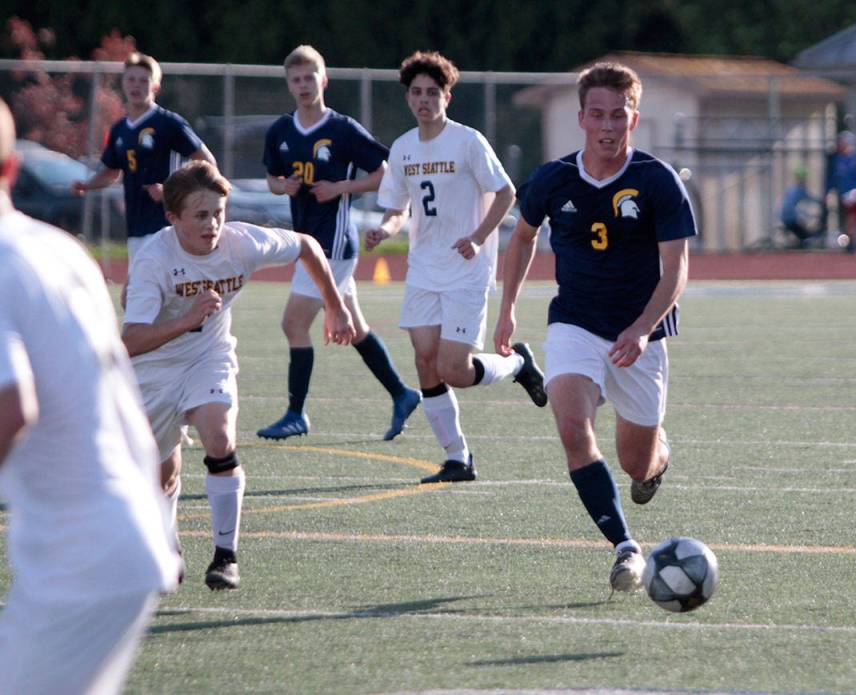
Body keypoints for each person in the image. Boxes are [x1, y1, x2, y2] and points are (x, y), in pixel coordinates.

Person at [0, 97, 180, 693]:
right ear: (11, 170)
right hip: (113, 540)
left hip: (82, 561)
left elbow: (11, 408)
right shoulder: (57, 248)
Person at [495, 63, 697, 592]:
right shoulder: (553, 178)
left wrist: (644, 328)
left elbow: (676, 267)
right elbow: (521, 239)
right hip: (575, 324)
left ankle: (659, 457)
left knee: (637, 464)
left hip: (639, 335)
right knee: (570, 426)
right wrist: (507, 308)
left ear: (634, 116)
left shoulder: (657, 180)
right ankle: (626, 547)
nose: (608, 126)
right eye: (598, 115)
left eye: (619, 115)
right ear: (581, 117)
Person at [122, 160, 354, 591]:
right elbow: (130, 341)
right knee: (162, 474)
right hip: (153, 369)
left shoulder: (242, 243)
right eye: (200, 215)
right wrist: (187, 317)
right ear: (172, 219)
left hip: (210, 356)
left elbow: (305, 244)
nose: (212, 224)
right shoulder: (154, 260)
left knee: (220, 438)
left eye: (218, 213)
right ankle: (167, 544)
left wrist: (336, 304)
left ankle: (225, 556)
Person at [366, 51, 547, 484]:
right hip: (424, 269)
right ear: (408, 97)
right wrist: (384, 230)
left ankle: (518, 365)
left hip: (467, 269)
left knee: (454, 369)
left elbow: (505, 194)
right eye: (416, 92)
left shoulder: (468, 141)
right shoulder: (403, 148)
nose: (423, 100)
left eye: (432, 92)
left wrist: (479, 237)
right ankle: (457, 457)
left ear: (447, 96)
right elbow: (397, 208)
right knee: (425, 363)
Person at [259, 45, 420, 442]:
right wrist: (285, 186)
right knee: (356, 327)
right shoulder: (281, 130)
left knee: (293, 323)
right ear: (288, 84)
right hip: (306, 242)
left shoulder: (343, 129)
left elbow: (385, 173)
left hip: (332, 244)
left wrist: (342, 188)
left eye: (309, 77)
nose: (302, 85)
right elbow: (272, 180)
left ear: (323, 80)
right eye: (295, 79)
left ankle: (296, 413)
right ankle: (402, 394)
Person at [72, 52, 216, 261]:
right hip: (135, 226)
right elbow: (112, 172)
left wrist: (171, 190)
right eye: (131, 79)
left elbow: (207, 162)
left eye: (143, 80)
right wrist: (87, 185)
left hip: (167, 224)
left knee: (158, 288)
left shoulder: (169, 123)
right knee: (138, 289)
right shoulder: (119, 129)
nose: (136, 85)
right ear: (123, 84)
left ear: (155, 87)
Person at [826, 130, 856, 253]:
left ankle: (850, 238)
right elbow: (834, 178)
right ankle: (850, 243)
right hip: (846, 194)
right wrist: (829, 191)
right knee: (850, 218)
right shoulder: (838, 159)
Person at [779, 166, 823, 247]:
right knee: (805, 236)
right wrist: (806, 214)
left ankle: (800, 243)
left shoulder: (792, 189)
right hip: (790, 217)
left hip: (786, 217)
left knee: (802, 233)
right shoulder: (798, 190)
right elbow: (809, 198)